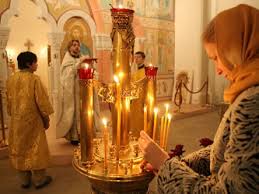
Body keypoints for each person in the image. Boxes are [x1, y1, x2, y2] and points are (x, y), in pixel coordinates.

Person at [138, 4, 259, 193]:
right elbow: (228, 152)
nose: (218, 70)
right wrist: (180, 164)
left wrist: (166, 166)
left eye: (218, 57)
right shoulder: (249, 90)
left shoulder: (252, 103)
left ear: (239, 49)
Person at [6, 51, 54, 189]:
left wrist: (12, 114)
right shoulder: (34, 79)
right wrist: (46, 118)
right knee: (36, 149)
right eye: (35, 62)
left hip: (16, 121)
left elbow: (8, 101)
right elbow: (42, 102)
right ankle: (39, 179)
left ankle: (24, 180)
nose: (37, 64)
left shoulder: (11, 79)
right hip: (33, 121)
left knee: (20, 148)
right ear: (29, 64)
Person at [57, 40, 100, 145]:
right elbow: (66, 76)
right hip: (73, 92)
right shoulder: (67, 60)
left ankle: (86, 133)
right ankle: (75, 136)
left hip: (85, 90)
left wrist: (92, 69)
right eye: (74, 45)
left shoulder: (83, 57)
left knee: (86, 111)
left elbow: (93, 72)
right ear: (69, 48)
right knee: (75, 112)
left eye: (78, 45)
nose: (77, 47)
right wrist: (78, 64)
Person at [130, 51, 147, 137]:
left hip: (142, 97)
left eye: (138, 57)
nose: (136, 59)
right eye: (135, 57)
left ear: (143, 59)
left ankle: (142, 133)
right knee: (134, 115)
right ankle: (135, 133)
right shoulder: (135, 71)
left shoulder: (146, 71)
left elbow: (144, 84)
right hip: (135, 96)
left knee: (141, 115)